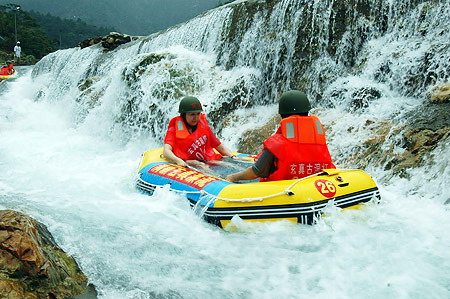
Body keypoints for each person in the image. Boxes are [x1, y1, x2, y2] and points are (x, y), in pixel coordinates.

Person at [226, 90, 335, 182]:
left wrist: (232, 177)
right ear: (307, 112)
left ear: (282, 115)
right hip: (313, 186)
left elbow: (256, 171)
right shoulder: (318, 139)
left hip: (283, 193)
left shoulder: (277, 143)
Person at [163, 96, 235, 168]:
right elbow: (166, 150)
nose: (196, 118)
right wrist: (178, 161)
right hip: (188, 161)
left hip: (206, 159)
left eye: (198, 114)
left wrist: (233, 157)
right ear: (184, 115)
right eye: (192, 114)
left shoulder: (203, 125)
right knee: (201, 165)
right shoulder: (174, 129)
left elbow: (219, 147)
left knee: (228, 165)